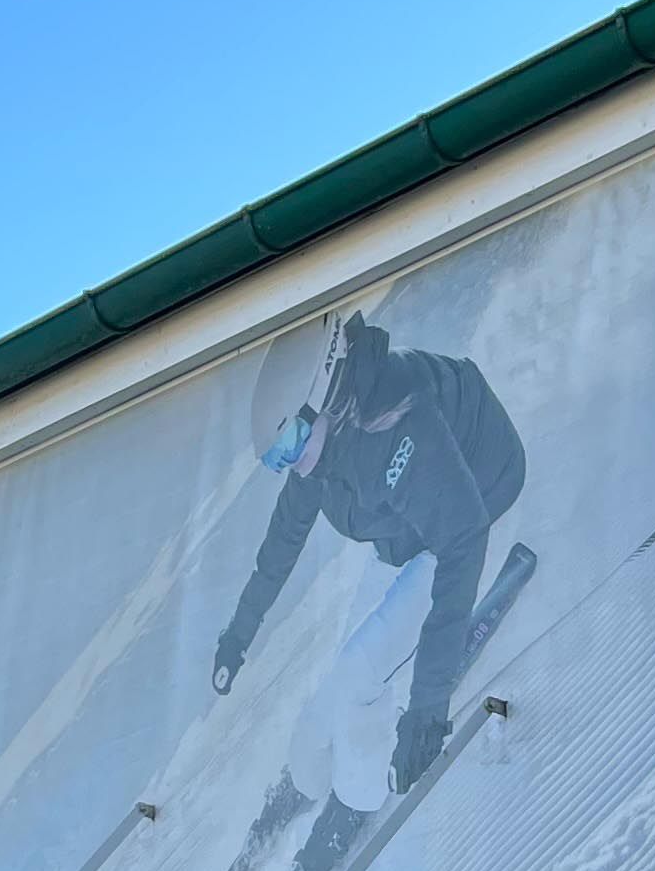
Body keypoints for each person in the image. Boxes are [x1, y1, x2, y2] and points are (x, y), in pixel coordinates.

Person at [213, 312, 526, 799]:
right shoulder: (322, 453)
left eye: (291, 443)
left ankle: (364, 793)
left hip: (481, 505)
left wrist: (427, 709)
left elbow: (463, 540)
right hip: (417, 531)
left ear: (325, 394)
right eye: (279, 458)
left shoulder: (398, 422)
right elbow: (280, 544)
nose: (292, 462)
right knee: (335, 696)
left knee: (359, 673)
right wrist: (238, 634)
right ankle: (334, 749)